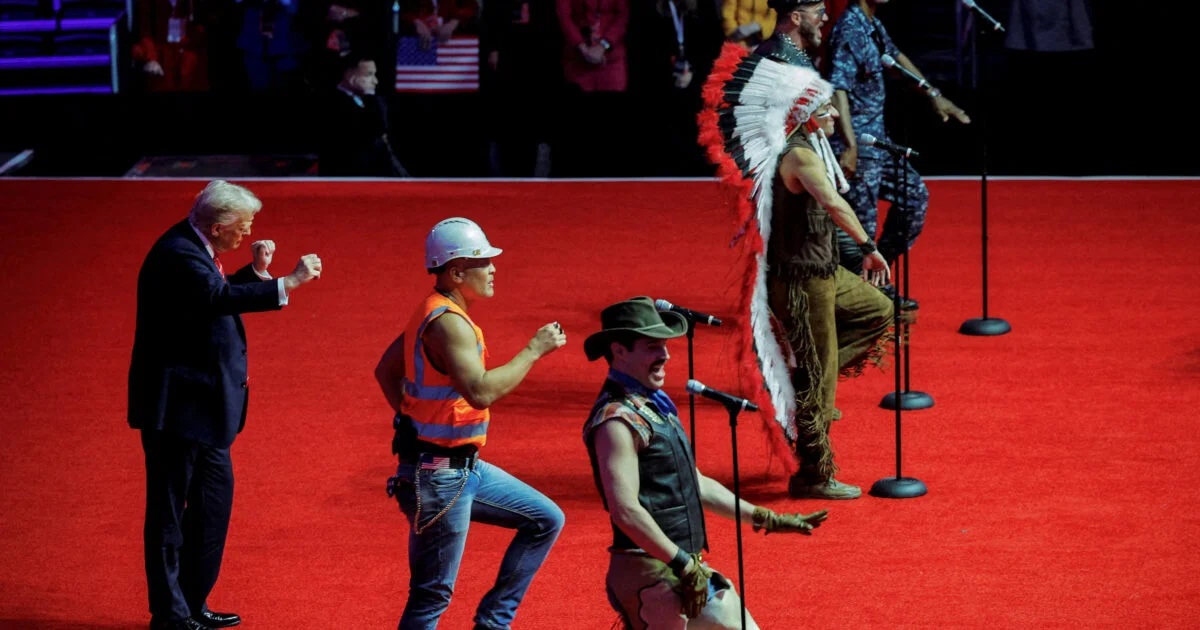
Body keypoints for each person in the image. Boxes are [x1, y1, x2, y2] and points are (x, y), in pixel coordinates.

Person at [698, 45, 894, 500]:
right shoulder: (801, 156)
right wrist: (868, 247)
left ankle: (802, 383)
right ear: (808, 117)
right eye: (826, 110)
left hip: (823, 272)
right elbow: (832, 202)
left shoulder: (814, 148)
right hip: (803, 282)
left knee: (880, 310)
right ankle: (813, 475)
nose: (832, 116)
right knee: (819, 377)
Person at [127, 180, 323, 630]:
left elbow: (206, 299)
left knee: (213, 509)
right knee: (169, 515)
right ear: (217, 228)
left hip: (206, 408)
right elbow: (213, 298)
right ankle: (171, 616)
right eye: (243, 228)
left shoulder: (195, 249)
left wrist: (254, 273)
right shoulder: (176, 253)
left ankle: (192, 603)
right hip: (176, 410)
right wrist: (286, 283)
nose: (248, 233)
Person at [582, 297, 829, 629]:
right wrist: (683, 564)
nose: (666, 355)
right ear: (620, 350)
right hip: (650, 571)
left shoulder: (654, 409)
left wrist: (765, 518)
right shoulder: (616, 421)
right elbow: (625, 510)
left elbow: (695, 484)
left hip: (675, 566)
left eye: (666, 346)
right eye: (653, 346)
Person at [375, 217, 566, 630]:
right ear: (457, 272)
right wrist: (533, 350)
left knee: (546, 519)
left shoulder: (432, 313)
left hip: (459, 469)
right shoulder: (447, 323)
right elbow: (480, 391)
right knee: (431, 597)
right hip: (440, 476)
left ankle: (493, 623)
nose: (494, 268)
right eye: (485, 262)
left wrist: (410, 418)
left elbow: (384, 370)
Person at [826, 0, 970, 304]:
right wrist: (850, 146)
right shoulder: (850, 28)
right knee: (862, 230)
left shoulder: (872, 23)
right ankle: (859, 301)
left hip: (879, 142)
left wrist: (934, 94)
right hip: (858, 143)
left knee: (914, 198)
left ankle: (875, 278)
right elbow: (837, 88)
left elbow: (896, 57)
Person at [318, 53, 410, 177]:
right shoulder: (332, 102)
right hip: (348, 174)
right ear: (350, 76)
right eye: (369, 75)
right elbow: (375, 130)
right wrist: (369, 95)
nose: (375, 81)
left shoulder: (373, 101)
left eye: (375, 75)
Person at [755, 0, 827, 69]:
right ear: (796, 18)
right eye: (820, 12)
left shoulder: (794, 54)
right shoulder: (778, 62)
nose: (825, 18)